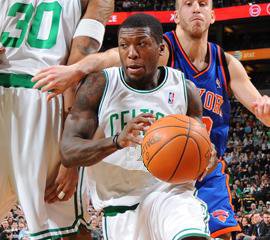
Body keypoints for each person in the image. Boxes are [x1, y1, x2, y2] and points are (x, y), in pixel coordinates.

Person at [32, 0, 270, 239]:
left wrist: (266, 114)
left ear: (212, 15)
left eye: (203, 4)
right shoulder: (157, 52)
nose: (196, 8)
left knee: (218, 234)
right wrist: (77, 70)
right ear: (175, 15)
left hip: (199, 166)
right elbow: (110, 57)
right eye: (188, 4)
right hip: (148, 175)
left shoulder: (227, 65)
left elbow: (260, 109)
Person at [61, 13, 211, 240]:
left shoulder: (184, 89)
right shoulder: (99, 85)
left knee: (190, 233)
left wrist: (206, 157)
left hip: (169, 193)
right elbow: (68, 151)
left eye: (141, 44)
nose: (131, 54)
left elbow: (203, 146)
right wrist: (116, 141)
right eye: (124, 45)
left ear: (160, 49)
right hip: (119, 205)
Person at [0, 0, 114, 239]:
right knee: (68, 228)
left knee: (68, 227)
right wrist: (69, 156)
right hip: (47, 99)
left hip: (42, 89)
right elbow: (79, 67)